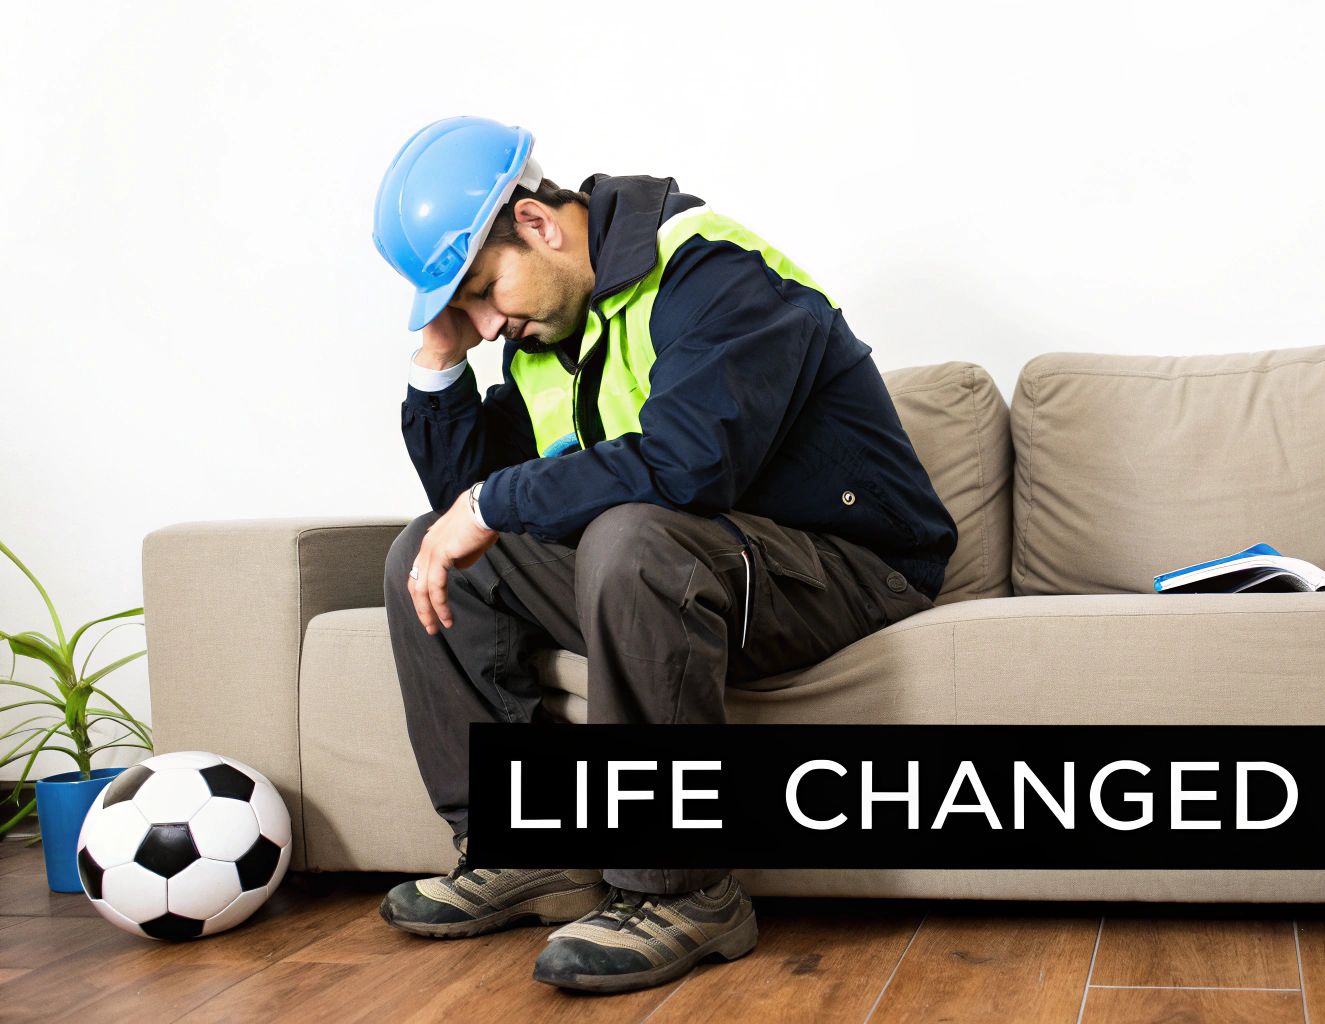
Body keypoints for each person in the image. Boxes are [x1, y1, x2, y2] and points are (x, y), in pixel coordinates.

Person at [368, 116, 956, 995]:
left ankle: (682, 891)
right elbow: (472, 513)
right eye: (466, 308)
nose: (487, 326)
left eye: (484, 290)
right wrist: (440, 358)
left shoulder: (711, 270)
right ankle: (526, 847)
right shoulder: (542, 336)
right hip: (696, 573)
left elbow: (688, 467)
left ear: (537, 223)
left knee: (634, 537)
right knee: (429, 553)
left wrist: (490, 504)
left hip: (854, 571)